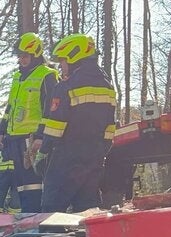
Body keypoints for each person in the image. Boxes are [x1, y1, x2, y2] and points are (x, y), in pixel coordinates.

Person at [30, 34, 116, 212]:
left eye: (62, 61)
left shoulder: (66, 86)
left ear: (74, 57)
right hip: (94, 157)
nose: (61, 66)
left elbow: (55, 126)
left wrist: (43, 153)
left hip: (67, 158)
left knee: (52, 210)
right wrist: (101, 151)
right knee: (88, 210)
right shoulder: (107, 86)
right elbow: (110, 126)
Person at [0, 33, 59, 212]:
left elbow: (50, 108)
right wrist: (1, 129)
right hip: (14, 138)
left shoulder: (47, 75)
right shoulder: (18, 77)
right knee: (21, 184)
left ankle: (35, 217)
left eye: (25, 56)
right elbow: (11, 105)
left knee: (34, 184)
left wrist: (41, 136)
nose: (21, 59)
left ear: (35, 54)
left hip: (32, 139)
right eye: (19, 56)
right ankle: (26, 216)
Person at [0, 142, 19, 213]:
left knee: (16, 197)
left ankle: (14, 217)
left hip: (17, 169)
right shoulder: (0, 136)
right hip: (4, 170)